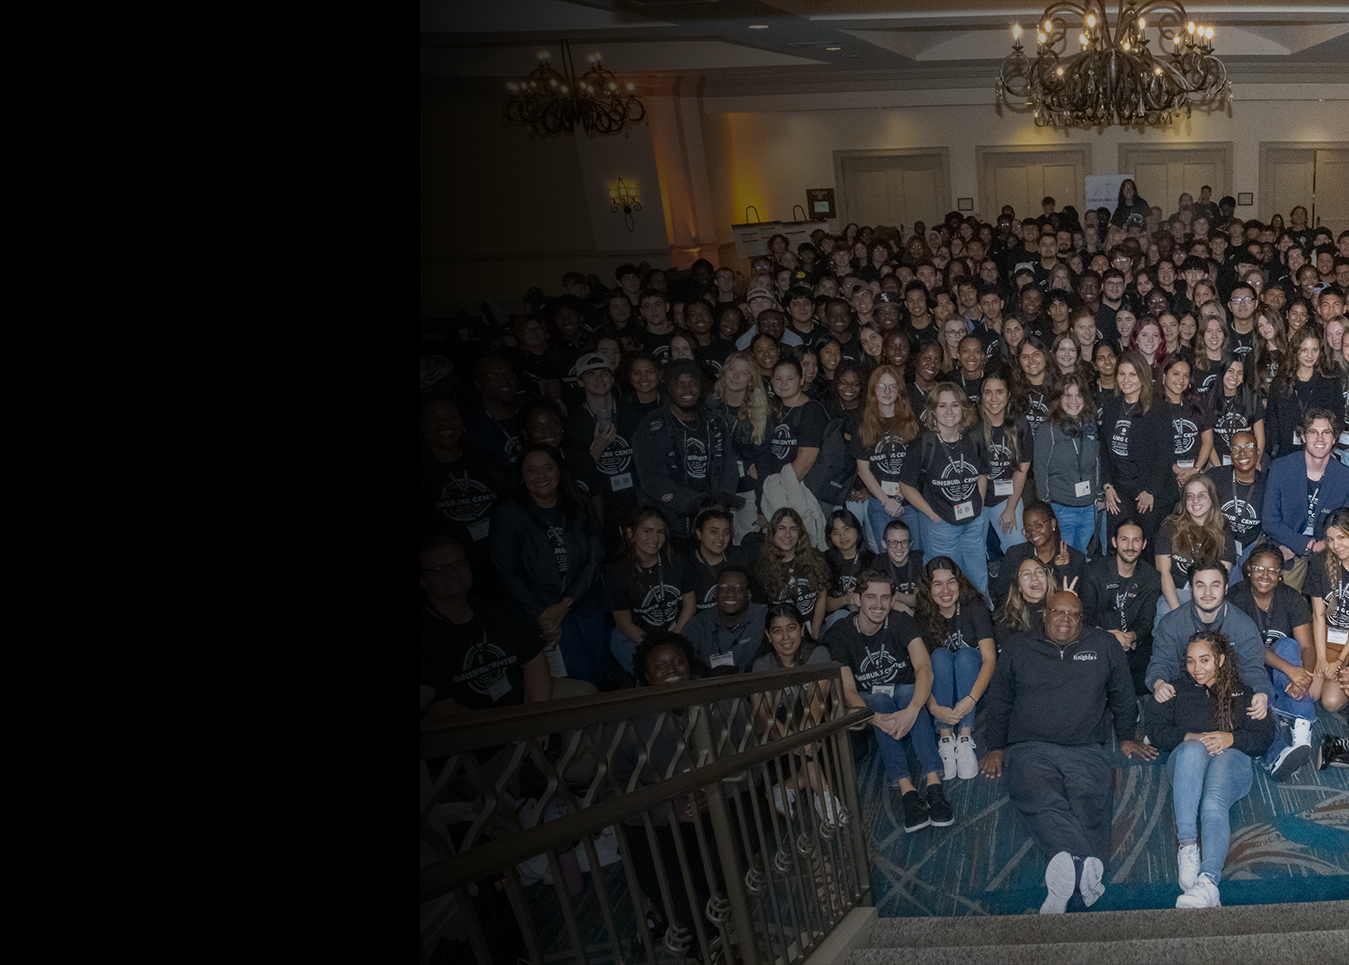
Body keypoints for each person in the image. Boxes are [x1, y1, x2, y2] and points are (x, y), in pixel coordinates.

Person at [980, 590, 1155, 914]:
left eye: (1073, 614)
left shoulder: (1104, 645)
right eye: (1057, 612)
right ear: (1043, 614)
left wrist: (1127, 736)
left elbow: (1122, 692)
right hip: (1031, 747)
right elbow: (1000, 699)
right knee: (1040, 797)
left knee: (1090, 805)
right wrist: (995, 747)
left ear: (1082, 618)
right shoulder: (1019, 647)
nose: (1065, 619)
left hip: (1085, 748)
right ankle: (1083, 873)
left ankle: (1066, 883)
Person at [1145, 630, 1274, 909]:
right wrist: (1192, 737)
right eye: (1191, 661)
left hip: (1231, 761)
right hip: (1186, 765)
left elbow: (1264, 737)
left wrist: (1231, 738)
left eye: (1204, 660)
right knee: (1192, 750)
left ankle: (1208, 882)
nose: (1196, 669)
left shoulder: (1242, 690)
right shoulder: (1176, 689)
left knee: (1213, 803)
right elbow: (1155, 730)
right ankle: (1188, 846)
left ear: (1220, 658)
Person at [825, 569, 953, 833]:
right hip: (871, 700)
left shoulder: (900, 621)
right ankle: (907, 791)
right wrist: (874, 718)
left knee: (909, 694)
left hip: (905, 692)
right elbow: (848, 690)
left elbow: (923, 668)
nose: (879, 604)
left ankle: (933, 784)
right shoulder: (840, 633)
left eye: (885, 597)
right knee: (879, 702)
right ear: (857, 599)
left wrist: (914, 709)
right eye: (871, 597)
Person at [489, 444, 608, 685]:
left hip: (584, 603)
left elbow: (595, 558)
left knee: (600, 670)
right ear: (522, 476)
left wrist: (567, 602)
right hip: (543, 611)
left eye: (548, 468)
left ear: (560, 471)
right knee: (580, 676)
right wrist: (544, 615)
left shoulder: (580, 501)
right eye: (532, 470)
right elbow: (506, 572)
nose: (541, 476)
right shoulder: (509, 514)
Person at [420, 537, 552, 715]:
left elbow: (534, 660)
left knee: (583, 697)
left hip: (523, 710)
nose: (452, 574)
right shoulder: (426, 634)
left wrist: (535, 715)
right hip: (474, 730)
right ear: (422, 580)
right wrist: (500, 731)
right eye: (439, 570)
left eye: (458, 564)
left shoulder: (495, 610)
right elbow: (441, 706)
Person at [1227, 547, 1317, 779]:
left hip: (1282, 676)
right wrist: (1291, 669)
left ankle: (1301, 731)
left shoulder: (1291, 598)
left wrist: (1303, 676)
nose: (1265, 576)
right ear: (1248, 569)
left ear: (1280, 574)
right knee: (1256, 705)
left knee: (1288, 645)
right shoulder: (1235, 598)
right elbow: (1247, 648)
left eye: (1272, 570)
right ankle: (1278, 756)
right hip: (1247, 671)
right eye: (1259, 569)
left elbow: (1307, 646)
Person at [899, 384, 992, 597]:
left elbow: (982, 474)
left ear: (963, 409)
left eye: (955, 405)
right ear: (933, 411)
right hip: (942, 524)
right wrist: (931, 514)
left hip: (974, 520)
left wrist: (980, 503)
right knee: (945, 578)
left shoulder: (975, 438)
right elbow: (905, 485)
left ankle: (981, 611)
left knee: (977, 572)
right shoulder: (923, 443)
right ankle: (948, 621)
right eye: (942, 406)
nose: (949, 411)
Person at [633, 359, 742, 540]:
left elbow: (729, 466)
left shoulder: (714, 422)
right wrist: (697, 506)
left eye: (693, 383)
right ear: (668, 387)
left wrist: (718, 506)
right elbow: (652, 479)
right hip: (668, 528)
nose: (687, 389)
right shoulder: (651, 427)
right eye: (680, 384)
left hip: (710, 525)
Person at [916, 557, 997, 780]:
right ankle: (945, 737)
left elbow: (990, 659)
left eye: (951, 582)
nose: (946, 590)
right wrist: (933, 708)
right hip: (942, 691)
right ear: (928, 588)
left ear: (959, 583)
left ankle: (964, 738)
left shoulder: (974, 605)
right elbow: (922, 668)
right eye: (937, 584)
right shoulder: (922, 614)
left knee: (964, 655)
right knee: (939, 656)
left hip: (973, 684)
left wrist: (970, 699)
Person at [1262, 409, 1349, 591]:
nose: (1320, 439)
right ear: (1302, 436)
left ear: (1334, 439)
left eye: (1326, 433)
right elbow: (1269, 521)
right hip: (1289, 543)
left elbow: (1346, 524)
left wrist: (1321, 546)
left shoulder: (1344, 477)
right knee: (1286, 592)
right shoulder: (1281, 469)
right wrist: (1301, 544)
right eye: (1313, 432)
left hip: (1329, 547)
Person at [605, 508, 696, 675]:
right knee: (654, 674)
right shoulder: (617, 572)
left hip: (675, 630)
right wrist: (655, 646)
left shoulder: (678, 561)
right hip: (634, 638)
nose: (655, 538)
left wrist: (675, 638)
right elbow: (624, 623)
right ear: (630, 534)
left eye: (660, 532)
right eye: (647, 531)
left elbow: (689, 605)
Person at [1079, 519, 1163, 697]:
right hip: (1098, 639)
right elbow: (1086, 616)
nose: (1130, 546)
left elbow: (1146, 619)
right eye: (1124, 539)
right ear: (1114, 542)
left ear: (1144, 544)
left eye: (1136, 540)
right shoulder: (1093, 572)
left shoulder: (1152, 577)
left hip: (1133, 644)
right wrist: (1108, 636)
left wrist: (1131, 637)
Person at [1102, 350, 1174, 544]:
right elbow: (1103, 451)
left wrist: (1151, 491)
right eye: (1122, 374)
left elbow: (1165, 454)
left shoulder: (1159, 409)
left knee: (1149, 548)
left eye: (1133, 374)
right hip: (1120, 491)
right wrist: (1107, 486)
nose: (1126, 380)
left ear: (1143, 376)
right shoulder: (1112, 407)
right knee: (1118, 545)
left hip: (1151, 493)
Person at [854, 364, 924, 554]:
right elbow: (863, 470)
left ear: (899, 391)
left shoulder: (911, 423)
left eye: (892, 386)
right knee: (887, 556)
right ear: (873, 390)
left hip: (909, 503)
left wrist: (899, 499)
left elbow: (916, 467)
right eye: (881, 386)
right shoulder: (864, 425)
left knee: (915, 553)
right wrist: (887, 501)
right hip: (880, 504)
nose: (887, 391)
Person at [1034, 374, 1101, 553]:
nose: (1073, 401)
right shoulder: (1047, 430)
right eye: (1067, 396)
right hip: (1061, 509)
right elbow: (1040, 468)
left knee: (1081, 555)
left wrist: (1098, 495)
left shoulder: (1091, 427)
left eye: (1078, 395)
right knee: (1064, 558)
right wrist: (1047, 506)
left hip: (1088, 508)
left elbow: (1097, 463)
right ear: (1059, 399)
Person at [1154, 475, 1236, 618]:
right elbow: (1163, 573)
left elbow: (1223, 574)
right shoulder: (1169, 526)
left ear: (1212, 497)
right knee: (1167, 623)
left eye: (1201, 495)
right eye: (1190, 496)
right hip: (1174, 592)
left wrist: (1203, 608)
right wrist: (1177, 612)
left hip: (1208, 594)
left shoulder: (1223, 528)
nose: (1195, 501)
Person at [757, 507, 831, 639]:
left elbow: (821, 595)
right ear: (773, 532)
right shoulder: (762, 567)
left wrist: (814, 634)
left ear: (800, 533)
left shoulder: (814, 557)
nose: (787, 534)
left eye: (793, 528)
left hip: (815, 627)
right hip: (783, 634)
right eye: (781, 528)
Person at [991, 505, 1086, 605]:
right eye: (1027, 529)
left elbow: (1080, 601)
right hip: (1023, 614)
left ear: (1052, 523)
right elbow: (1001, 594)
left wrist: (1063, 571)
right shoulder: (1015, 555)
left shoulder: (1076, 558)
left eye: (1038, 525)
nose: (1032, 532)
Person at [1303, 507, 1349, 715]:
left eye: (1341, 537)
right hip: (1326, 638)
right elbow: (1318, 615)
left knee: (1330, 701)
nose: (1335, 545)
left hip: (1347, 646)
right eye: (1330, 539)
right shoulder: (1320, 563)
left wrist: (1339, 663)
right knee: (1309, 694)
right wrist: (1322, 659)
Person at [684, 566, 767, 673]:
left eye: (738, 589)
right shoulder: (697, 624)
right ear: (715, 593)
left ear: (749, 595)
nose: (731, 594)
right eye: (724, 588)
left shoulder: (763, 617)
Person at [822, 509, 875, 629]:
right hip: (835, 621)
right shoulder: (824, 560)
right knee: (841, 616)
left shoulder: (872, 560)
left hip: (866, 618)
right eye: (836, 532)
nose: (842, 536)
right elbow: (823, 604)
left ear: (857, 529)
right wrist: (845, 599)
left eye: (847, 529)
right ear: (830, 537)